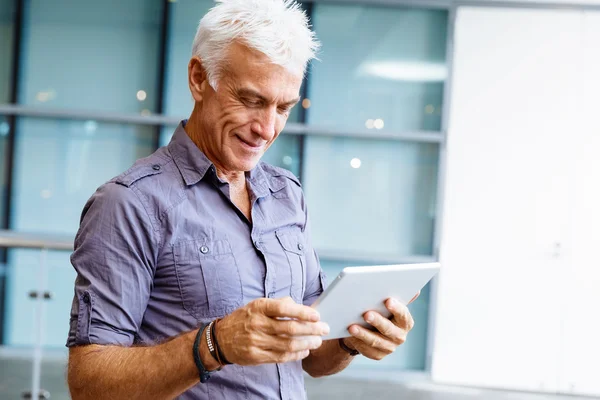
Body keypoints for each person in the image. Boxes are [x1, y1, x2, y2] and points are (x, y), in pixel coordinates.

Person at [66, 1, 416, 399]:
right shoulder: (129, 204)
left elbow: (314, 358)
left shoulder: (286, 194)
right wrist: (215, 345)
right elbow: (89, 384)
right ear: (199, 79)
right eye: (251, 100)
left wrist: (355, 337)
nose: (267, 129)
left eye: (283, 107)